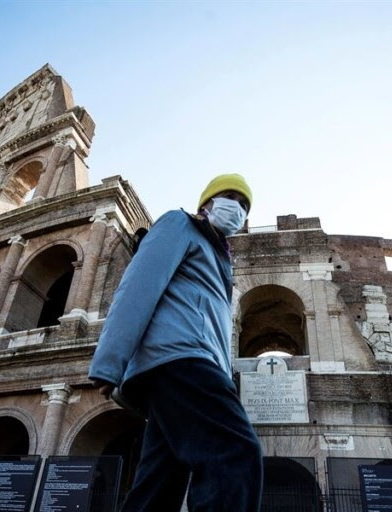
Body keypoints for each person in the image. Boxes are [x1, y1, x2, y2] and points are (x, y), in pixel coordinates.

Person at [88, 174, 263, 512]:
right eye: (231, 197)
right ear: (206, 203)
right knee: (236, 452)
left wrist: (225, 378)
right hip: (179, 360)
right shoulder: (178, 225)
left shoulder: (221, 262)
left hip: (190, 366)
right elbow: (139, 285)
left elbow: (215, 332)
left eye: (244, 205)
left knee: (159, 484)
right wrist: (110, 361)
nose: (237, 208)